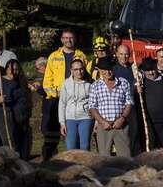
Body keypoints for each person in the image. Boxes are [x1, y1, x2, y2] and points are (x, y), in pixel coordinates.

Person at [41, 29, 90, 160]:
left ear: (75, 39)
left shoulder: (81, 56)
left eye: (71, 37)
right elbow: (47, 80)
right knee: (51, 131)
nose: (68, 40)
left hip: (77, 100)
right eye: (65, 38)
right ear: (62, 39)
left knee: (77, 136)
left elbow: (88, 76)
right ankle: (49, 156)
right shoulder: (54, 56)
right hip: (55, 99)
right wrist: (55, 93)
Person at [88, 56, 134, 157]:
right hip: (104, 126)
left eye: (110, 69)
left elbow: (129, 102)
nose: (107, 72)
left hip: (121, 125)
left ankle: (126, 173)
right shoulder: (95, 86)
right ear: (99, 70)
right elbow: (92, 106)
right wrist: (102, 122)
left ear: (114, 68)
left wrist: (122, 118)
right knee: (104, 158)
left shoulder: (123, 83)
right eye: (104, 69)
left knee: (125, 156)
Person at [0, 59, 30, 158]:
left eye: (16, 70)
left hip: (21, 118)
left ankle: (22, 164)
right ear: (6, 69)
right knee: (10, 143)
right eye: (10, 69)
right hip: (5, 116)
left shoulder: (19, 82)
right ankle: (12, 165)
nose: (12, 72)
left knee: (22, 144)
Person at [137, 57, 163, 150]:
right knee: (150, 149)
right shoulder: (141, 83)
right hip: (148, 123)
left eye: (152, 70)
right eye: (147, 71)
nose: (151, 73)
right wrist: (137, 91)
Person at [112, 44, 142, 155]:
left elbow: (138, 83)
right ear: (116, 54)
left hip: (133, 106)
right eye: (121, 54)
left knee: (134, 132)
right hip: (119, 107)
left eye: (126, 54)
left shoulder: (133, 68)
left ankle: (135, 157)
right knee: (121, 134)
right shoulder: (113, 70)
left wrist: (138, 87)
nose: (124, 57)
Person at [58, 58, 94, 151]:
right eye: (76, 69)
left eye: (81, 69)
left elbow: (94, 103)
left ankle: (85, 165)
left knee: (84, 147)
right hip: (70, 119)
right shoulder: (66, 84)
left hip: (85, 118)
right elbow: (62, 104)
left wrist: (96, 120)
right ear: (71, 71)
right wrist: (62, 123)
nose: (79, 72)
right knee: (71, 147)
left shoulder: (89, 84)